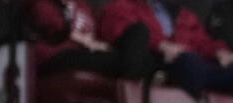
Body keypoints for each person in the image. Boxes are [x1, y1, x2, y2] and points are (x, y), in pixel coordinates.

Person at [98, 0, 233, 99]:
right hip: (156, 65)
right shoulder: (124, 5)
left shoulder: (185, 16)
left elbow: (203, 42)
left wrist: (223, 53)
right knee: (189, 61)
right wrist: (161, 45)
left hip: (196, 67)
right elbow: (121, 32)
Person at [28, 0, 157, 81]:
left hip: (87, 54)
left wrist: (99, 45)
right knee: (134, 62)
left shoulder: (82, 5)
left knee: (139, 31)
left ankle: (130, 80)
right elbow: (51, 24)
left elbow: (97, 35)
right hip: (58, 55)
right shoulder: (44, 3)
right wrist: (85, 41)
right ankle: (130, 87)